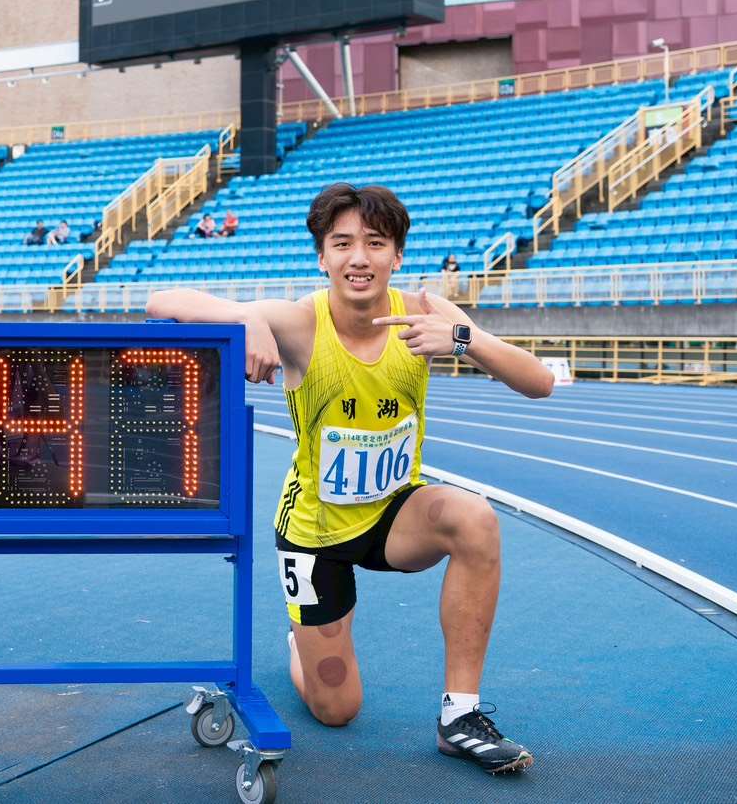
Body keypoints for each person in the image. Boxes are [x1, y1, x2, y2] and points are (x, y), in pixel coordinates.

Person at [147, 183, 553, 776]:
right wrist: (242, 318)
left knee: (474, 518)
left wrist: (463, 339)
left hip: (394, 515)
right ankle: (302, 646)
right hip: (316, 532)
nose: (358, 257)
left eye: (375, 243)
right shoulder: (298, 323)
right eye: (342, 243)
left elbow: (539, 382)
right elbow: (162, 301)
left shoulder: (428, 316)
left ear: (397, 256)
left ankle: (460, 717)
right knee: (337, 708)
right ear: (322, 256)